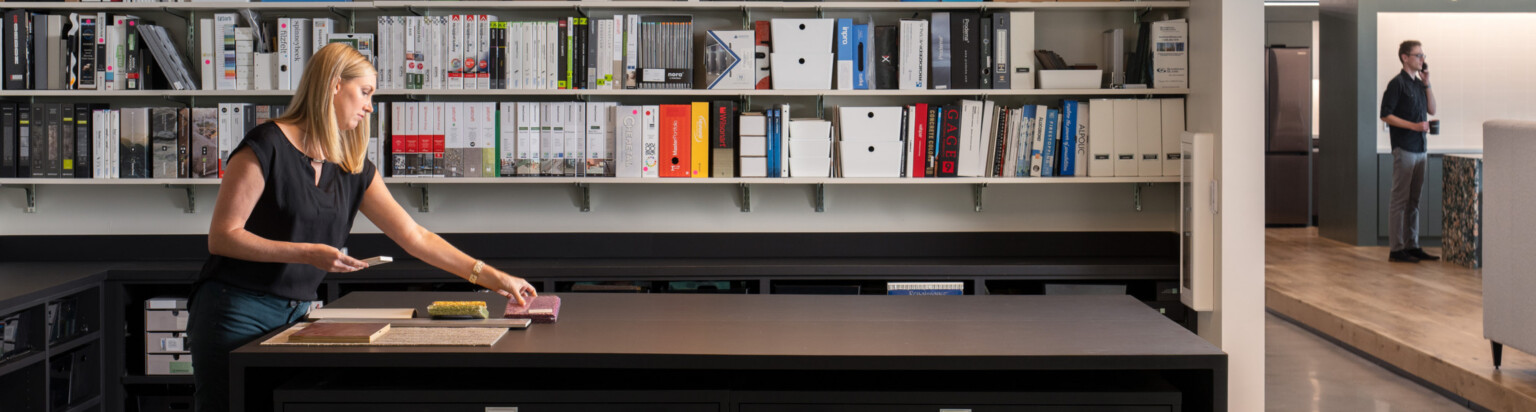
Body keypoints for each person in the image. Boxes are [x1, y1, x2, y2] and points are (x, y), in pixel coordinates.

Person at [187, 43, 539, 411]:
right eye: (366, 92)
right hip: (235, 311)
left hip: (297, 316)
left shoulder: (352, 167)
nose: (370, 106)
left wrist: (495, 278)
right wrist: (307, 253)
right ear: (334, 85)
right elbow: (223, 237)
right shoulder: (266, 145)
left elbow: (415, 237)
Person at [1379, 40, 1439, 263]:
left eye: (1423, 55)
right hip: (1404, 148)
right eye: (1418, 55)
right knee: (1400, 200)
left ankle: (1411, 245)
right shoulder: (1397, 84)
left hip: (1421, 148)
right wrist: (1413, 126)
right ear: (1405, 57)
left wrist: (1427, 83)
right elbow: (1385, 115)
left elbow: (1432, 110)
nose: (1422, 59)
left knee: (1414, 200)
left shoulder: (1419, 84)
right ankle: (1396, 249)